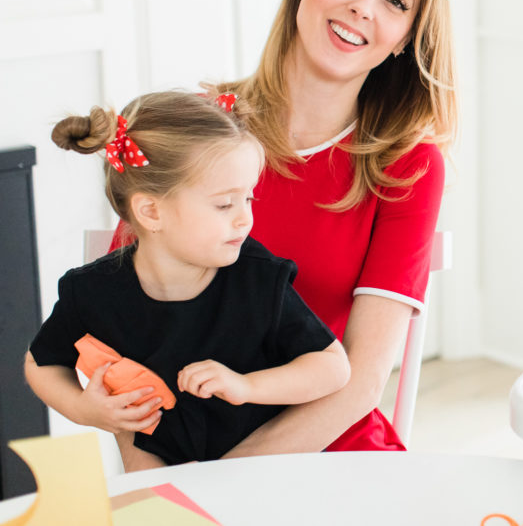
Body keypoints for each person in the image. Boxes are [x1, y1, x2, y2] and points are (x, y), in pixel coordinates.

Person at [107, 0, 456, 454]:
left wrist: (231, 484)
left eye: (395, 1)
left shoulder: (408, 167)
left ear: (403, 40)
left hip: (333, 454)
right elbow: (123, 338)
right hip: (186, 454)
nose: (364, 5)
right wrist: (162, 486)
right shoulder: (199, 126)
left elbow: (361, 384)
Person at [25, 91, 351, 471]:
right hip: (169, 486)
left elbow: (332, 368)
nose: (244, 218)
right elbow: (42, 363)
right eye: (224, 204)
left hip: (273, 474)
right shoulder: (93, 292)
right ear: (151, 211)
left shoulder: (256, 278)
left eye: (249, 199)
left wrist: (247, 387)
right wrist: (83, 408)